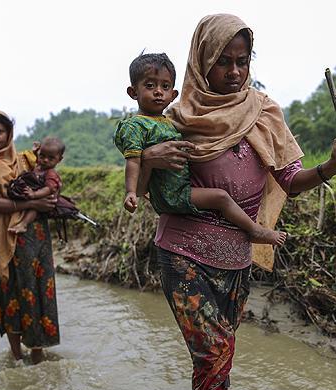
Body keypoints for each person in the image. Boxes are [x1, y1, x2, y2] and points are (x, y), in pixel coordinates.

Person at [139, 14, 336, 390]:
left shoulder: (263, 112)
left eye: (243, 62)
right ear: (202, 62)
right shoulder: (173, 120)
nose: (235, 72)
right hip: (184, 258)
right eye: (224, 62)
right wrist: (148, 159)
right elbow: (147, 191)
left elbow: (290, 181)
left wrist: (332, 165)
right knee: (215, 357)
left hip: (237, 263)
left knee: (216, 361)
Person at [114, 53, 287, 246]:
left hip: (179, 188)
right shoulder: (135, 126)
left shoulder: (173, 120)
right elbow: (134, 161)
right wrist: (130, 191)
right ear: (133, 92)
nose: (158, 92)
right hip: (173, 194)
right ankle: (255, 230)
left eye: (165, 86)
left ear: (173, 95)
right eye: (150, 86)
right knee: (221, 198)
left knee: (219, 198)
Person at [0, 109, 60, 365]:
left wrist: (42, 202)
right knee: (11, 291)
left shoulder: (25, 160)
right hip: (4, 234)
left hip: (35, 234)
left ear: (9, 133)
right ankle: (17, 356)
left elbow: (49, 180)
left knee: (39, 290)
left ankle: (38, 353)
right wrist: (31, 206)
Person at [7, 136, 66, 234]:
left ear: (59, 159)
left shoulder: (51, 173)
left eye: (51, 158)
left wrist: (34, 195)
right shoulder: (40, 166)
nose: (45, 160)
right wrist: (34, 151)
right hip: (37, 194)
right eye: (42, 156)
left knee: (34, 209)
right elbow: (35, 160)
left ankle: (23, 225)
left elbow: (49, 188)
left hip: (45, 198)